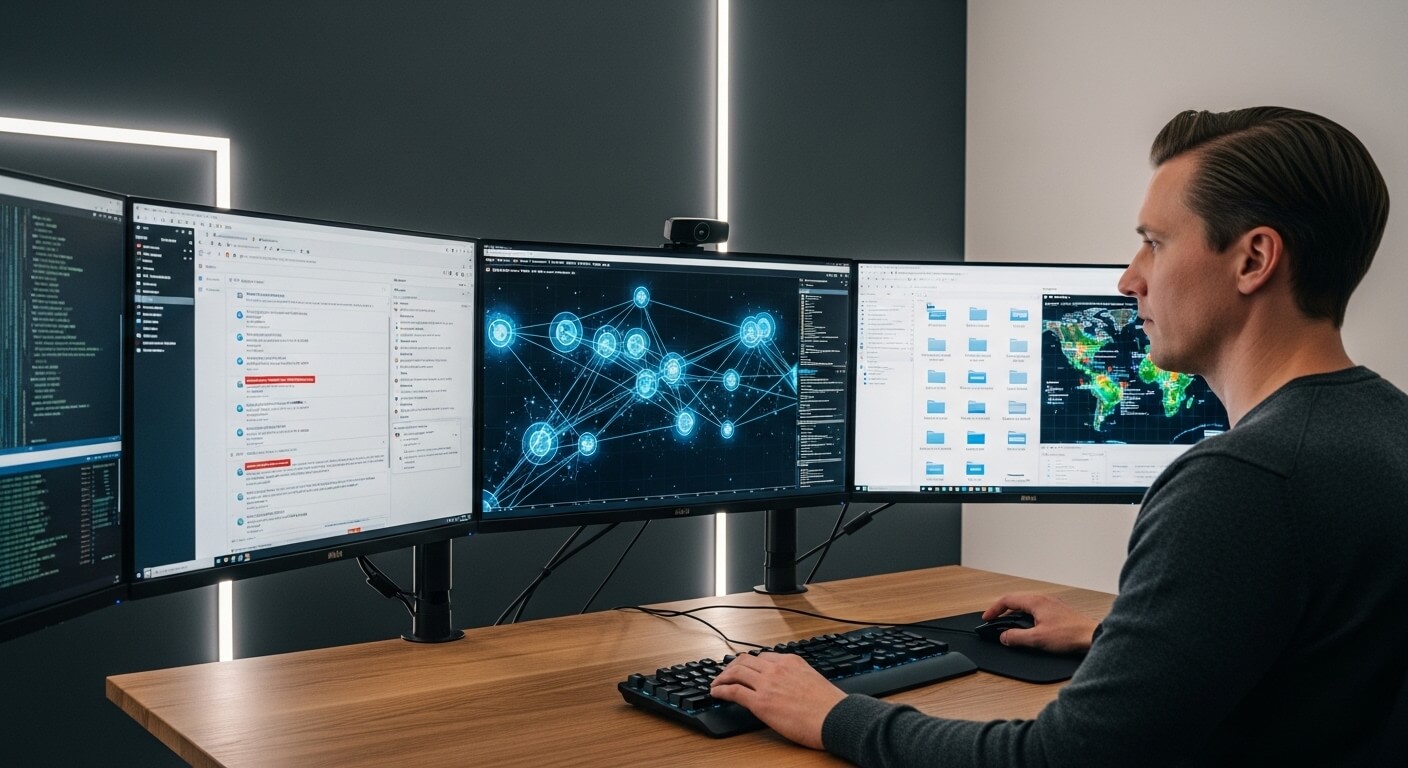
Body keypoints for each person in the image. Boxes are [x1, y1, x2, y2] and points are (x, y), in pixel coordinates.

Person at [709, 107, 1408, 766]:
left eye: (1155, 244)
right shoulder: (1385, 426)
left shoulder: (1245, 479)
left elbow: (1058, 759)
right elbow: (1321, 664)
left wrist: (831, 713)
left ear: (1254, 259)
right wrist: (1116, 640)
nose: (1129, 278)